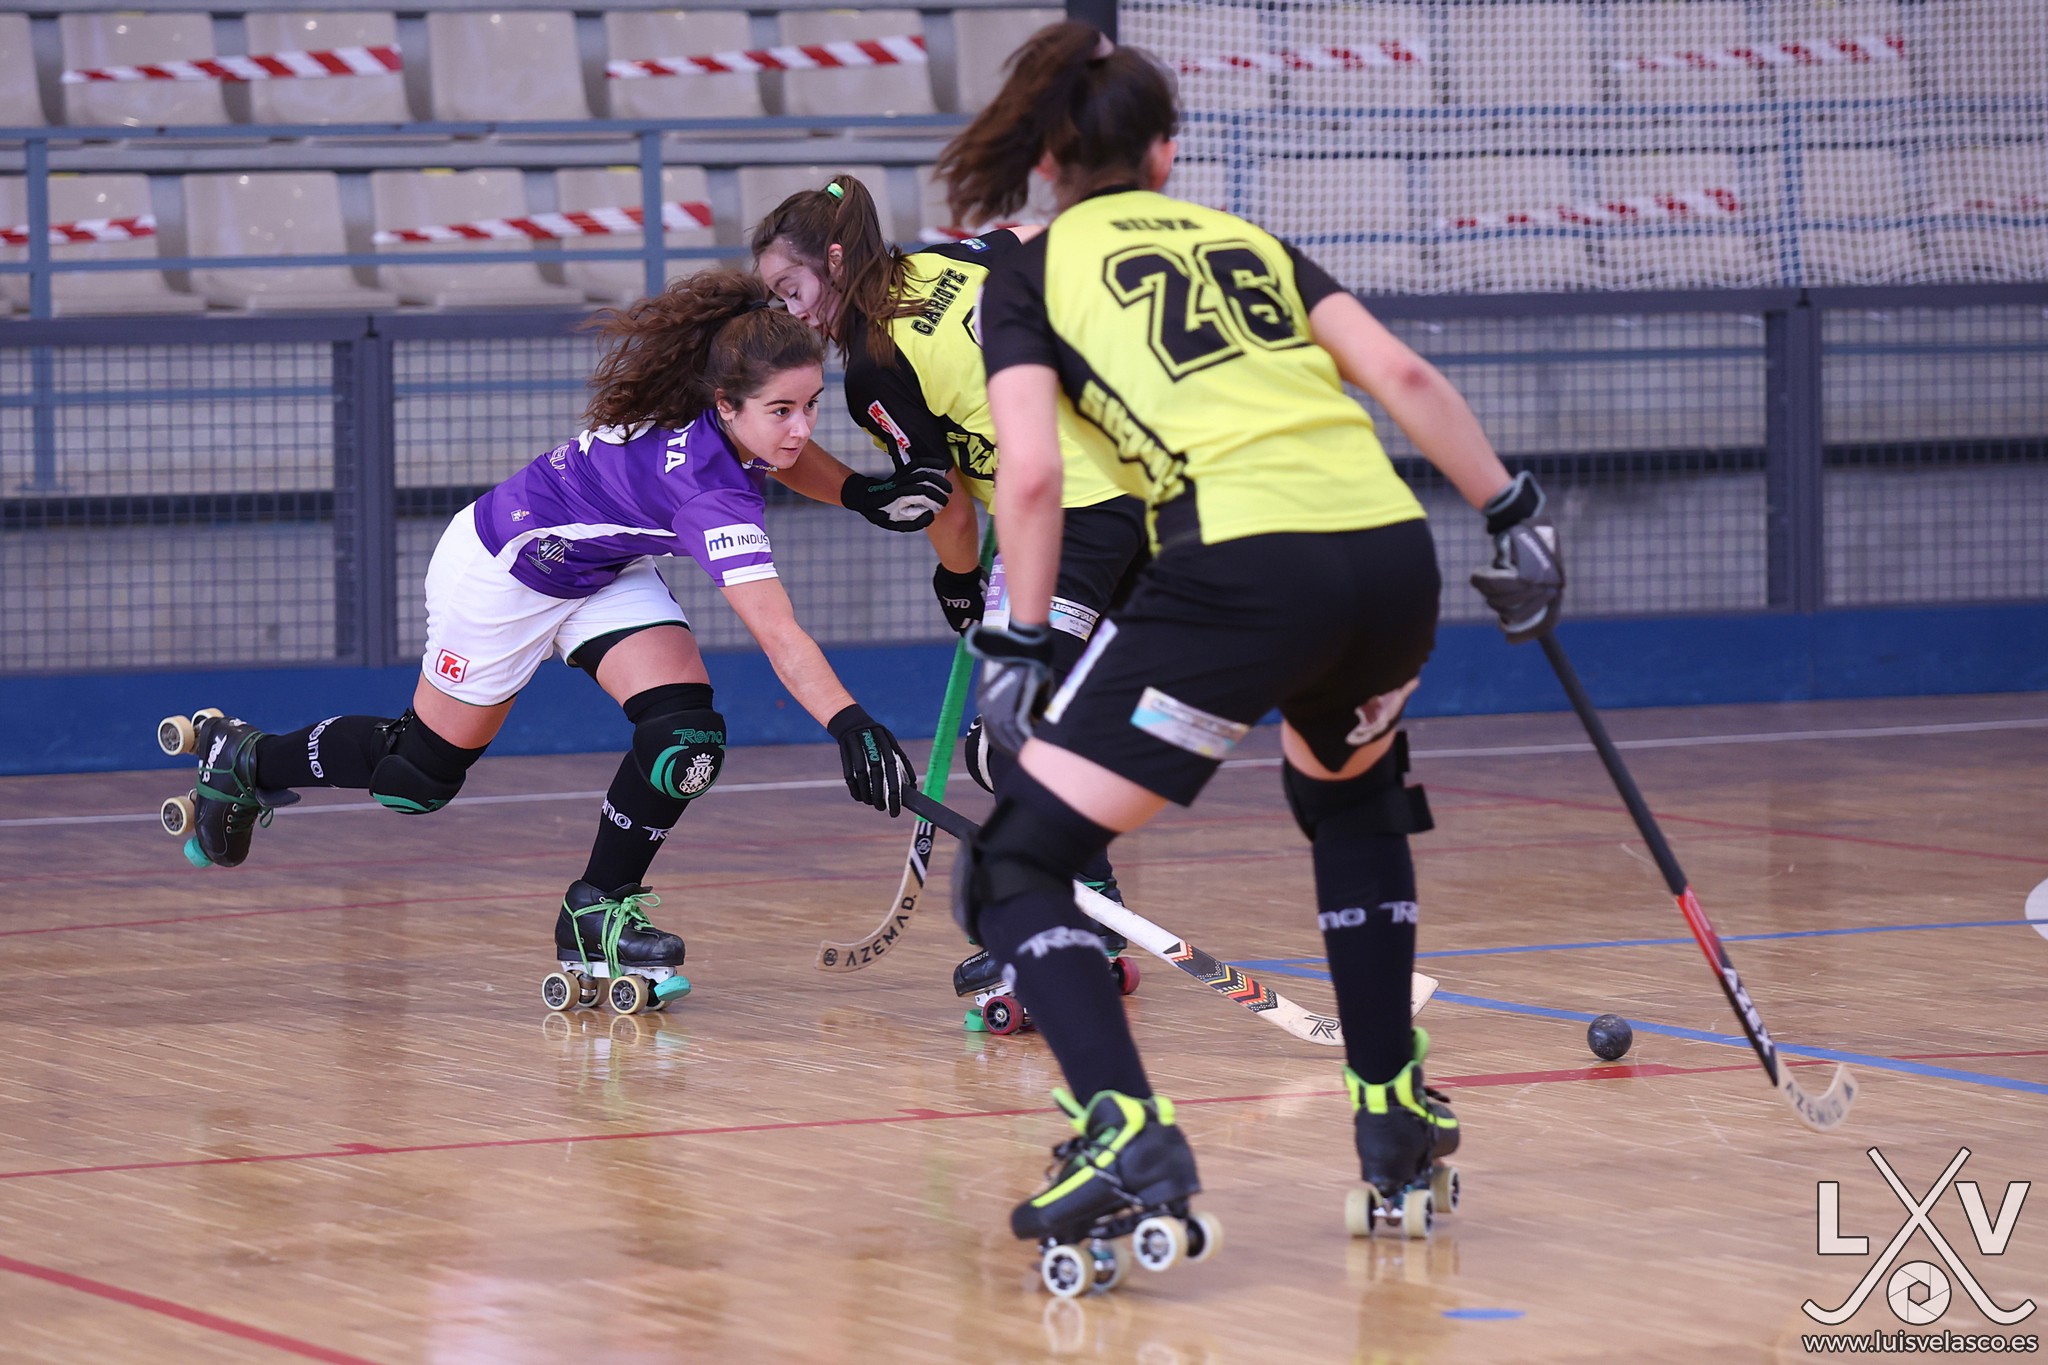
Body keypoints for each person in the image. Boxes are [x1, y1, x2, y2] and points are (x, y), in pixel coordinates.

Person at [935, 21, 1563, 1284]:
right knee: (1350, 799)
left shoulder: (1030, 270)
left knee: (1015, 866)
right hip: (1388, 558)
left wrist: (1016, 642)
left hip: (1239, 571)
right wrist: (1512, 514)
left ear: (1047, 158)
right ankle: (1391, 1111)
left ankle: (1124, 1132)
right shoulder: (1248, 240)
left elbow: (1033, 477)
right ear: (1165, 152)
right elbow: (1400, 374)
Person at [156, 270, 917, 1014]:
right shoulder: (708, 492)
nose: (801, 428)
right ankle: (245, 758)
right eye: (783, 410)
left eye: (812, 405)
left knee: (685, 734)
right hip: (502, 568)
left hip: (598, 569)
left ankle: (598, 908)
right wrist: (850, 722)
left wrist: (859, 491)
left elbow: (778, 449)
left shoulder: (714, 394)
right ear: (725, 404)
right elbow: (777, 631)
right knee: (416, 779)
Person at [750, 172, 1148, 1029]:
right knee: (1041, 727)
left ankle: (1056, 931)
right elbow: (1035, 244)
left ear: (834, 260)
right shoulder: (954, 259)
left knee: (1007, 741)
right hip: (1144, 491)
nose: (790, 311)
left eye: (792, 288)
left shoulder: (873, 367)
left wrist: (959, 584)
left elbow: (947, 509)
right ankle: (1088, 906)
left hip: (1071, 517)